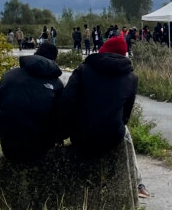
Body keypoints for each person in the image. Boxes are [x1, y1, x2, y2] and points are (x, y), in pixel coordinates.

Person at [57, 35, 148, 197]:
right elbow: (125, 116)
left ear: (102, 51)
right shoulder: (131, 77)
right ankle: (138, 184)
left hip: (82, 136)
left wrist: (62, 133)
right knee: (125, 132)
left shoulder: (83, 70)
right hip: (112, 137)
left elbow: (66, 103)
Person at [0, 42, 64, 163]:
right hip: (42, 150)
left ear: (36, 53)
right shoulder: (56, 83)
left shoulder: (9, 76)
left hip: (10, 149)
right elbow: (61, 120)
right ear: (54, 60)